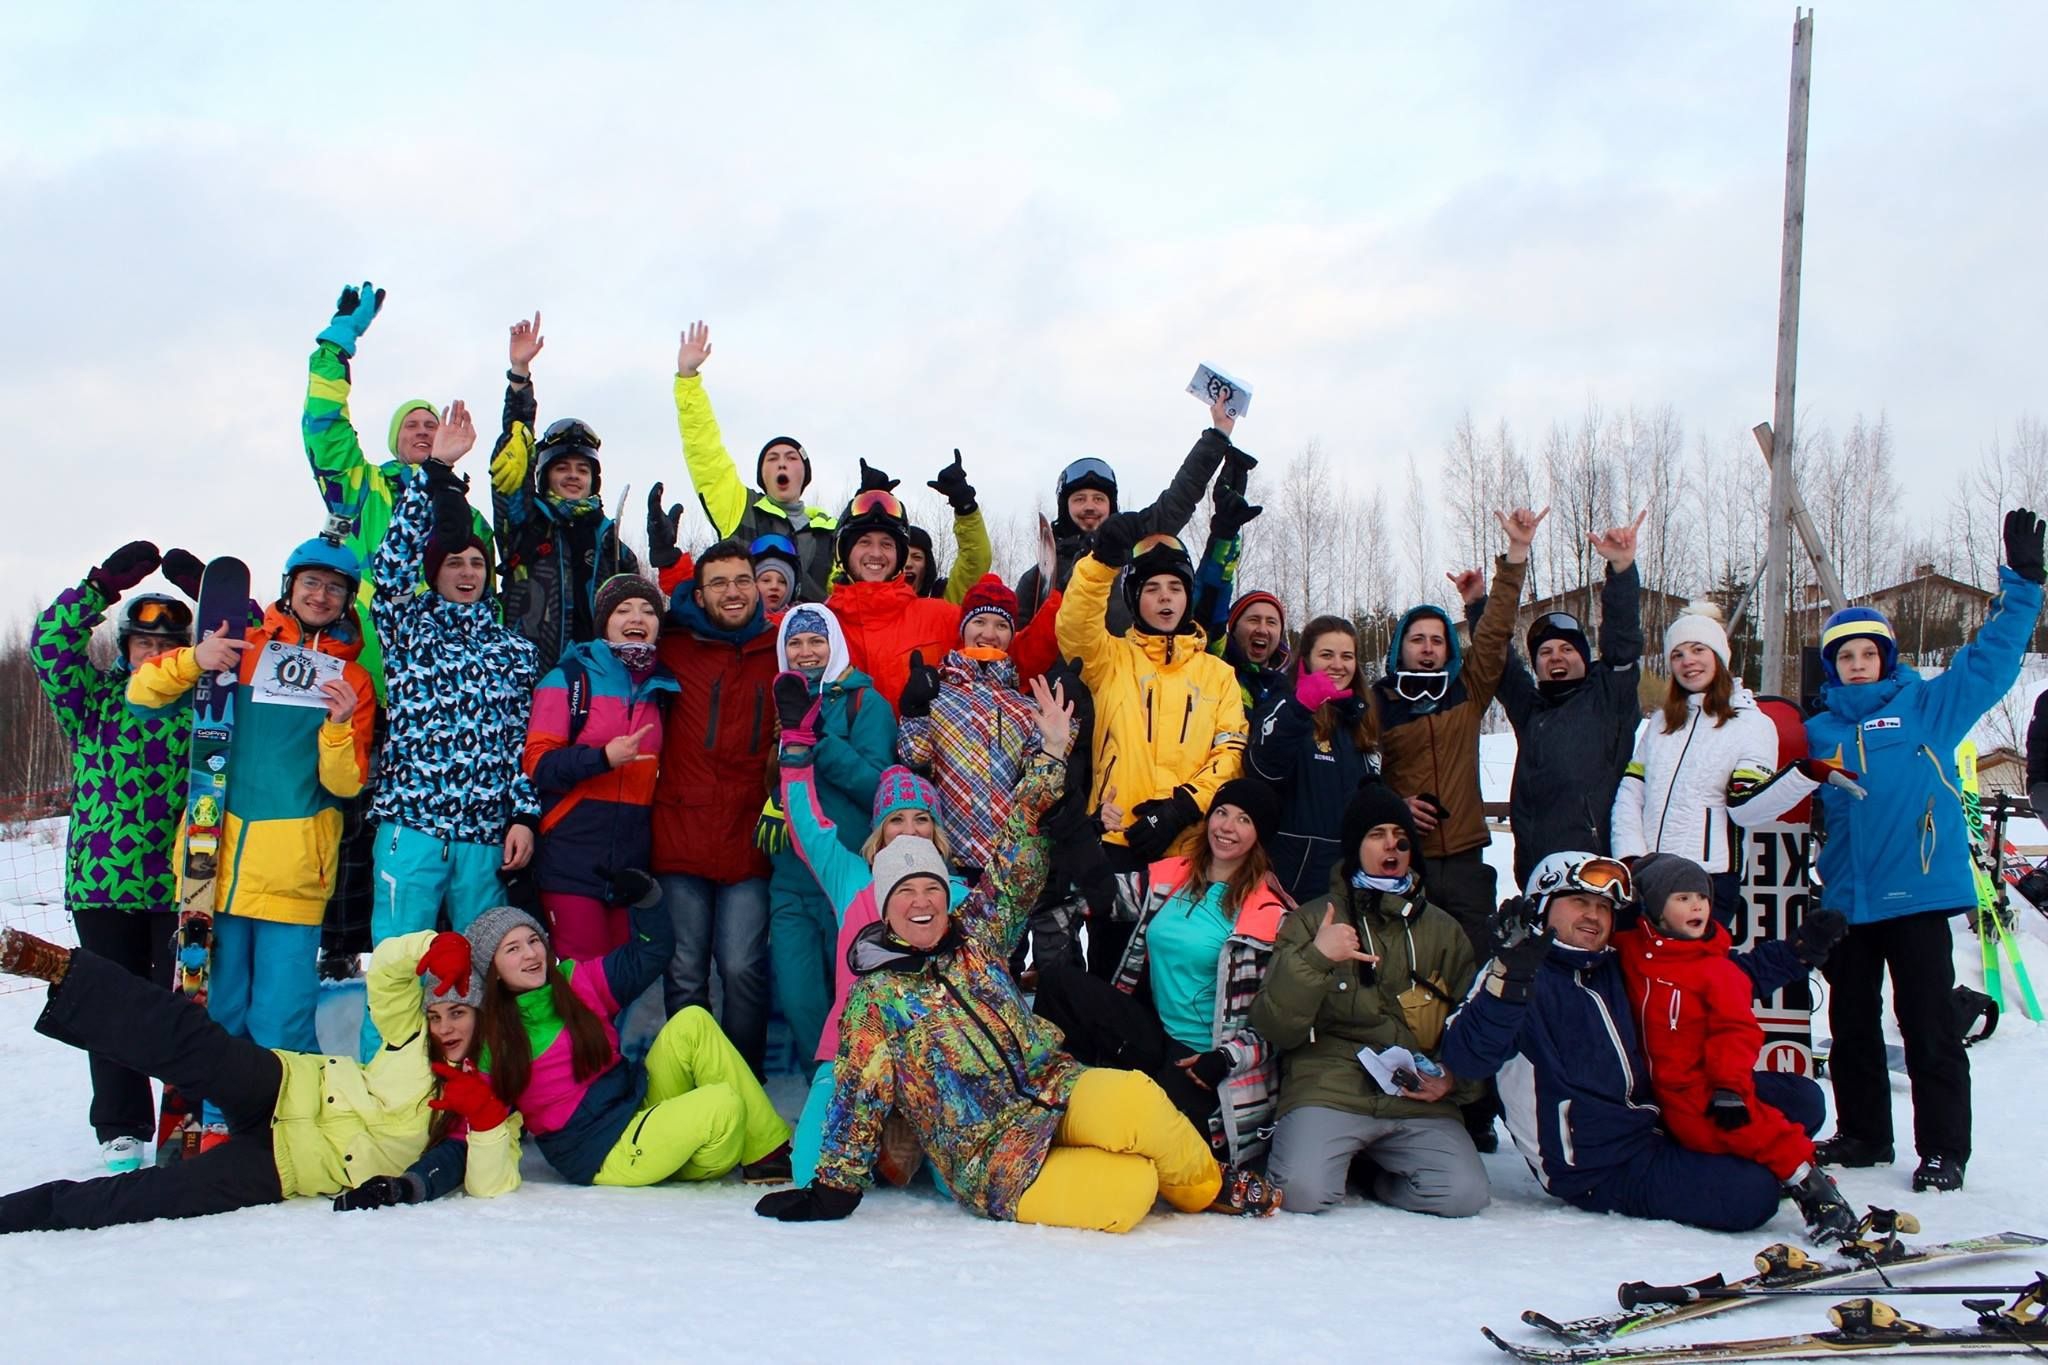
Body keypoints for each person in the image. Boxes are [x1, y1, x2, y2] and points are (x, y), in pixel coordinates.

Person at [757, 698, 1282, 1231]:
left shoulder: (977, 932)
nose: (921, 902)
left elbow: (1018, 852)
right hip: (994, 1156)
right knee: (1129, 1191)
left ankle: (1212, 1189)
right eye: (906, 892)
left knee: (1138, 1100)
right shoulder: (876, 1000)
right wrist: (833, 1189)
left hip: (1054, 1087)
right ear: (885, 907)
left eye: (932, 889)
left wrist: (1051, 754)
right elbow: (858, 1092)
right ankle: (1148, 1169)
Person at [1804, 508, 2046, 1194]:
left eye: (1867, 653)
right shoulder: (1817, 730)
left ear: (1887, 657)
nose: (1856, 664)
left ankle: (1943, 1149)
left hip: (1917, 895)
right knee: (1848, 1022)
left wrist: (2024, 583)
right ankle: (1863, 1135)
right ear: (1833, 664)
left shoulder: (1928, 709)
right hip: (1849, 897)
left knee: (1929, 1026)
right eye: (1844, 656)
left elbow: (1992, 659)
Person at [0, 924, 519, 1231]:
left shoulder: (484, 1104)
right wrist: (432, 944)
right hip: (287, 1084)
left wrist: (487, 1116)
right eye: (439, 1013)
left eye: (460, 1014)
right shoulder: (409, 1036)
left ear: (483, 1019)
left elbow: (490, 1184)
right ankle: (56, 967)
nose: (446, 1026)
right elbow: (386, 972)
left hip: (290, 1164)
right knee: (191, 1041)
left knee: (159, 1196)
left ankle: (18, 1213)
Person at [1439, 852, 1830, 1233]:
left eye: (1604, 907)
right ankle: (1737, 1166)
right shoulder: (1512, 977)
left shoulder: (1612, 962)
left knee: (1803, 1099)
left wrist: (1793, 955)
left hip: (1660, 1115)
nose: (1594, 915)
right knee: (1751, 1194)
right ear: (1541, 904)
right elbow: (1469, 1057)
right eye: (1579, 901)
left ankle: (1725, 1156)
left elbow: (1711, 979)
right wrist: (1510, 977)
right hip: (1601, 1163)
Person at [778, 674, 1045, 1183]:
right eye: (896, 820)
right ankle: (887, 1131)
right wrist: (795, 749)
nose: (909, 830)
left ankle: (908, 1132)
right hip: (853, 1055)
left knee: (961, 1186)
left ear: (938, 834)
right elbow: (806, 822)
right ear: (879, 831)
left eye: (921, 820)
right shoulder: (851, 879)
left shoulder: (962, 896)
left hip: (939, 1064)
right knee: (810, 1173)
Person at [128, 532, 377, 1076]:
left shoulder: (350, 679)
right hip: (210, 868)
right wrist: (195, 659)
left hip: (294, 874)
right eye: (311, 582)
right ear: (289, 587)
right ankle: (219, 1119)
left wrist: (337, 726)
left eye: (335, 588)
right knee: (220, 1012)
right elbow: (141, 695)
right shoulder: (239, 650)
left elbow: (346, 784)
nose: (321, 595)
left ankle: (278, 1130)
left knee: (281, 1017)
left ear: (347, 599)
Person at [358, 404, 541, 1059]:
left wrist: (522, 814)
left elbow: (527, 746)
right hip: (412, 828)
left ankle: (474, 1094)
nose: (467, 571)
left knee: (477, 975)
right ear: (435, 571)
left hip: (483, 841)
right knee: (397, 969)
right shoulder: (407, 627)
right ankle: (381, 1089)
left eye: (476, 563)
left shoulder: (513, 651)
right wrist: (436, 472)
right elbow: (392, 561)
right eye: (455, 562)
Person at [29, 541, 197, 1171]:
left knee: (180, 1006)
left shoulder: (208, 708)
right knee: (110, 1006)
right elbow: (47, 646)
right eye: (144, 645)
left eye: (169, 646)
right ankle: (121, 1124)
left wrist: (218, 599)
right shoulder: (95, 701)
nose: (155, 655)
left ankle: (185, 1113)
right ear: (125, 647)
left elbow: (267, 657)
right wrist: (96, 588)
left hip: (182, 884)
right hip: (102, 884)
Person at [1249, 784, 1489, 1217]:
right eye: (1376, 834)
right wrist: (1316, 958)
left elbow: (1474, 1026)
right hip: (1330, 1085)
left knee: (1464, 1195)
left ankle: (1376, 1178)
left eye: (1400, 835)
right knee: (1301, 1192)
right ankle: (1333, 1158)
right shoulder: (1312, 919)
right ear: (1355, 846)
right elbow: (1275, 1026)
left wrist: (1454, 1079)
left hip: (1414, 1096)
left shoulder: (1445, 931)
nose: (1390, 845)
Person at [1032, 778, 1292, 1171]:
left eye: (1243, 820)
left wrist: (1223, 1059)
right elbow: (1102, 893)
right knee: (1059, 984)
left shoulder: (1270, 914)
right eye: (1221, 812)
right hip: (1156, 1037)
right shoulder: (1178, 874)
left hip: (1205, 1064)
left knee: (1153, 1146)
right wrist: (1082, 833)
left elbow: (1277, 1024)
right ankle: (1056, 1094)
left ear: (1260, 836)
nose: (1226, 826)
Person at [467, 881, 793, 1189]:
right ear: (492, 970)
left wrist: (647, 901)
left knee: (692, 1021)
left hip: (634, 1104)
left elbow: (649, 955)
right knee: (723, 1105)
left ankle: (767, 1156)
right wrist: (426, 1179)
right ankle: (683, 1149)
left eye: (534, 940)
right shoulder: (494, 1039)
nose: (530, 954)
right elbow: (467, 1124)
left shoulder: (574, 982)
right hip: (602, 1151)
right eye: (512, 949)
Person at [1615, 854, 1855, 1239]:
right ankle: (1763, 1174)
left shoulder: (1717, 970)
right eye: (1681, 898)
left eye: (1702, 897)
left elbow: (1736, 1030)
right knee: (1712, 1140)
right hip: (1663, 1092)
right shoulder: (1634, 952)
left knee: (1752, 1130)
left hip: (1707, 1085)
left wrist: (1728, 1087)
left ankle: (1816, 1192)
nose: (1696, 906)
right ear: (1655, 910)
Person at [1057, 509, 1248, 977]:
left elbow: (1231, 753)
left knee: (1175, 970)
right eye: (1152, 589)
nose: (1165, 599)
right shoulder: (1110, 659)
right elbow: (1075, 627)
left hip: (1189, 847)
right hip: (1117, 840)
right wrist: (1100, 562)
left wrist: (1182, 807)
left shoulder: (1218, 675)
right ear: (1134, 597)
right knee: (1109, 964)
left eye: (1175, 588)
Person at [299, 281, 492, 696]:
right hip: (358, 665)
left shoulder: (468, 516)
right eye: (412, 425)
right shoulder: (361, 487)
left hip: (437, 682)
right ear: (396, 439)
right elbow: (324, 426)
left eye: (431, 425)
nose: (423, 432)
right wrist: (336, 346)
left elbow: (486, 597)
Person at [1610, 601, 1842, 927]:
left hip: (1707, 881)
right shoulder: (1662, 722)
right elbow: (1632, 791)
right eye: (1677, 654)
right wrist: (1631, 857)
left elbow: (1747, 808)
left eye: (1698, 649)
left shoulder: (1750, 724)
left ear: (1718, 656)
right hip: (1647, 875)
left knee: (1695, 977)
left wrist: (1803, 776)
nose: (1687, 660)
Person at [1373, 506, 1537, 960]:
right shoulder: (1378, 701)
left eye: (1437, 639)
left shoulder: (1467, 689)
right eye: (1417, 639)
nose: (1427, 648)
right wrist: (1394, 806)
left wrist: (1516, 554)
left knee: (1473, 967)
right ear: (1400, 646)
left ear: (1448, 648)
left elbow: (1495, 634)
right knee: (1406, 970)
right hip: (1404, 859)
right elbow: (1358, 777)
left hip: (1466, 860)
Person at [1464, 511, 1646, 887]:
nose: (1556, 657)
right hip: (1538, 875)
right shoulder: (1531, 709)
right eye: (1545, 653)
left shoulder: (1608, 695)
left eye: (1566, 649)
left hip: (1599, 871)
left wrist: (1621, 569)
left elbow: (1623, 641)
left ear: (1584, 656)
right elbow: (1498, 660)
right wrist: (1479, 606)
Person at [652, 538, 778, 1074]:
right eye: (719, 583)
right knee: (683, 967)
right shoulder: (673, 647)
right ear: (699, 596)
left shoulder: (780, 650)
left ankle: (743, 1080)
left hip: (750, 836)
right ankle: (693, 1076)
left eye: (742, 580)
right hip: (681, 830)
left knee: (743, 964)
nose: (733, 592)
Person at [760, 603, 893, 1090]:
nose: (806, 652)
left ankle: (858, 1101)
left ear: (834, 644)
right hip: (790, 879)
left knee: (852, 1000)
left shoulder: (865, 704)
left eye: (816, 641)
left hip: (847, 876)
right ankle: (826, 1094)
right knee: (800, 999)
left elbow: (878, 784)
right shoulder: (773, 700)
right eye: (795, 643)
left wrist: (817, 740)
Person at [524, 575, 680, 961]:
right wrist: (602, 758)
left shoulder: (663, 688)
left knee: (617, 984)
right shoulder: (568, 679)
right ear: (604, 620)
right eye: (624, 609)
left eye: (648, 610)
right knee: (583, 979)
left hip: (629, 862)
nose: (637, 617)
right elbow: (538, 763)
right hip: (571, 855)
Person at [487, 313, 642, 676]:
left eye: (582, 470)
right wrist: (519, 380)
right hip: (528, 676)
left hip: (598, 679)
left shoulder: (612, 543)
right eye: (562, 468)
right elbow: (515, 456)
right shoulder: (525, 519)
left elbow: (640, 611)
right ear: (545, 476)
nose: (573, 476)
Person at [1016, 403, 1247, 634]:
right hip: (1059, 669)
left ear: (1111, 506)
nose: (1089, 507)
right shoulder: (1038, 579)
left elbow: (1177, 501)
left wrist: (1218, 434)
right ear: (1064, 507)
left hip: (1130, 666)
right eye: (1079, 499)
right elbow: (1016, 647)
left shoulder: (1134, 550)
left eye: (1098, 499)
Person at [670, 321, 842, 603]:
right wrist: (688, 381)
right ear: (763, 475)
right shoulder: (740, 509)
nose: (782, 464)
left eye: (791, 458)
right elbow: (706, 453)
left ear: (804, 472)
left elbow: (847, 594)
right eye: (772, 459)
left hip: (808, 642)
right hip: (750, 636)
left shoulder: (831, 529)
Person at [895, 576, 1050, 875]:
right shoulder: (935, 691)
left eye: (1001, 625)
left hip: (1004, 867)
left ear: (1012, 634)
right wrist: (914, 711)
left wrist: (1065, 729)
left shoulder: (1025, 707)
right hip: (941, 860)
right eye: (980, 621)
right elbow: (914, 762)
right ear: (963, 627)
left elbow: (1039, 791)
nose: (990, 633)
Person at [825, 478, 1015, 708]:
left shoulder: (940, 618)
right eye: (864, 542)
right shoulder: (821, 624)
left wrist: (1055, 606)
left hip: (924, 743)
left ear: (900, 556)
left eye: (887, 544)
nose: (876, 553)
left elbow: (1010, 648)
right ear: (843, 551)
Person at [1247, 615, 1381, 903]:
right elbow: (1263, 767)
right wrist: (1300, 708)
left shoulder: (1361, 719)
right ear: (1305, 660)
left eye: (1347, 656)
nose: (1338, 664)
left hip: (1348, 878)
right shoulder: (1284, 706)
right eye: (1326, 654)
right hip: (1292, 879)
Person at [1219, 591, 1290, 717]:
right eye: (1254, 620)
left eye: (1271, 622)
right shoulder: (1218, 668)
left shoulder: (1291, 686)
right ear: (1234, 628)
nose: (1262, 630)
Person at [749, 534, 803, 616]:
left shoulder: (802, 623)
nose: (774, 586)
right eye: (766, 580)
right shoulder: (736, 620)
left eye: (782, 582)